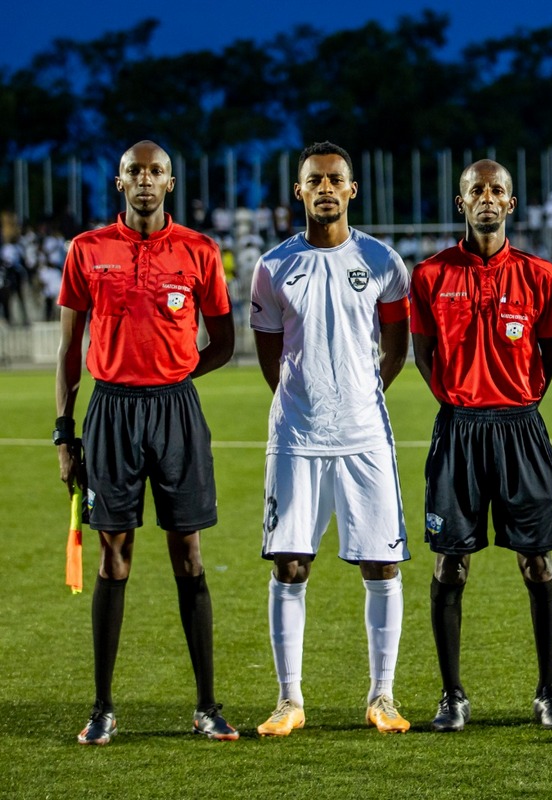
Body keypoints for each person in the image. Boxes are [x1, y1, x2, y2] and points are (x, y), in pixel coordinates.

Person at [55, 140, 238, 745]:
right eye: (134, 171)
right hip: (110, 412)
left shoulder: (199, 250)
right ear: (119, 182)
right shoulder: (87, 250)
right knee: (114, 555)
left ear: (169, 183)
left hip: (176, 412)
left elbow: (223, 342)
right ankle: (103, 708)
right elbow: (69, 351)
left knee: (189, 553)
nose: (144, 180)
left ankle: (207, 707)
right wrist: (64, 433)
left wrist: (175, 375)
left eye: (155, 171)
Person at [251, 141, 413, 736]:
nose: (325, 188)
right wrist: (304, 401)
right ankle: (289, 700)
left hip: (365, 436)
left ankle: (382, 696)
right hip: (297, 437)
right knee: (290, 563)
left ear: (351, 190)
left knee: (381, 563)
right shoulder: (273, 266)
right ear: (299, 191)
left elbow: (396, 345)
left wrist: (361, 395)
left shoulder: (382, 260)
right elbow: (270, 353)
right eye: (314, 180)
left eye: (335, 179)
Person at [410, 160, 552, 732]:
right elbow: (423, 352)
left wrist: (518, 399)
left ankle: (548, 692)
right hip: (458, 430)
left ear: (510, 203)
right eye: (475, 190)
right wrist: (458, 400)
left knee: (537, 561)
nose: (486, 198)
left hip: (521, 429)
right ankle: (452, 695)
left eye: (496, 190)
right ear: (461, 203)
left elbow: (551, 353)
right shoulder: (430, 274)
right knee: (450, 563)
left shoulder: (540, 275)